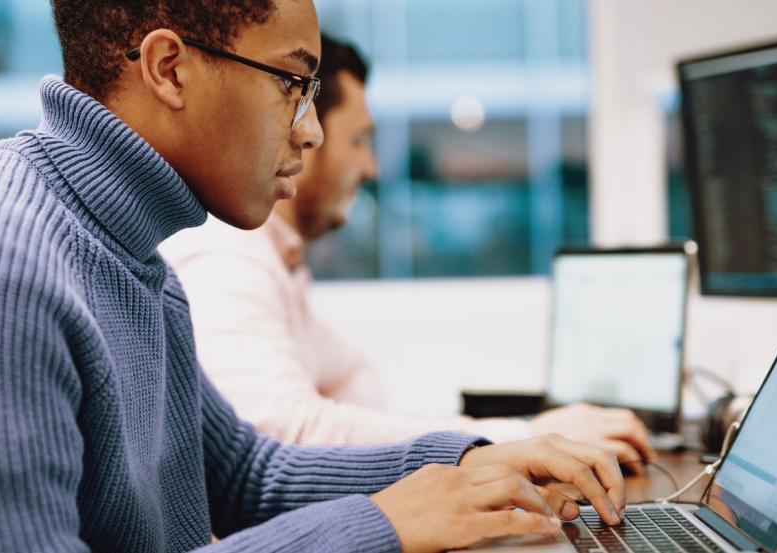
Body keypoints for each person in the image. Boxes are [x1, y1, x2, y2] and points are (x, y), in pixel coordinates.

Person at [0, 1, 627, 552]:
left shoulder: (130, 252)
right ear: (169, 69)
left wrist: (471, 462)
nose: (310, 132)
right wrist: (381, 523)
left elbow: (244, 474)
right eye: (293, 82)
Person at [160, 35, 655, 468]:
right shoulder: (226, 256)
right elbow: (285, 435)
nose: (371, 168)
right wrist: (521, 440)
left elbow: (355, 384)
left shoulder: (277, 257)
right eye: (358, 140)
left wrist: (506, 435)